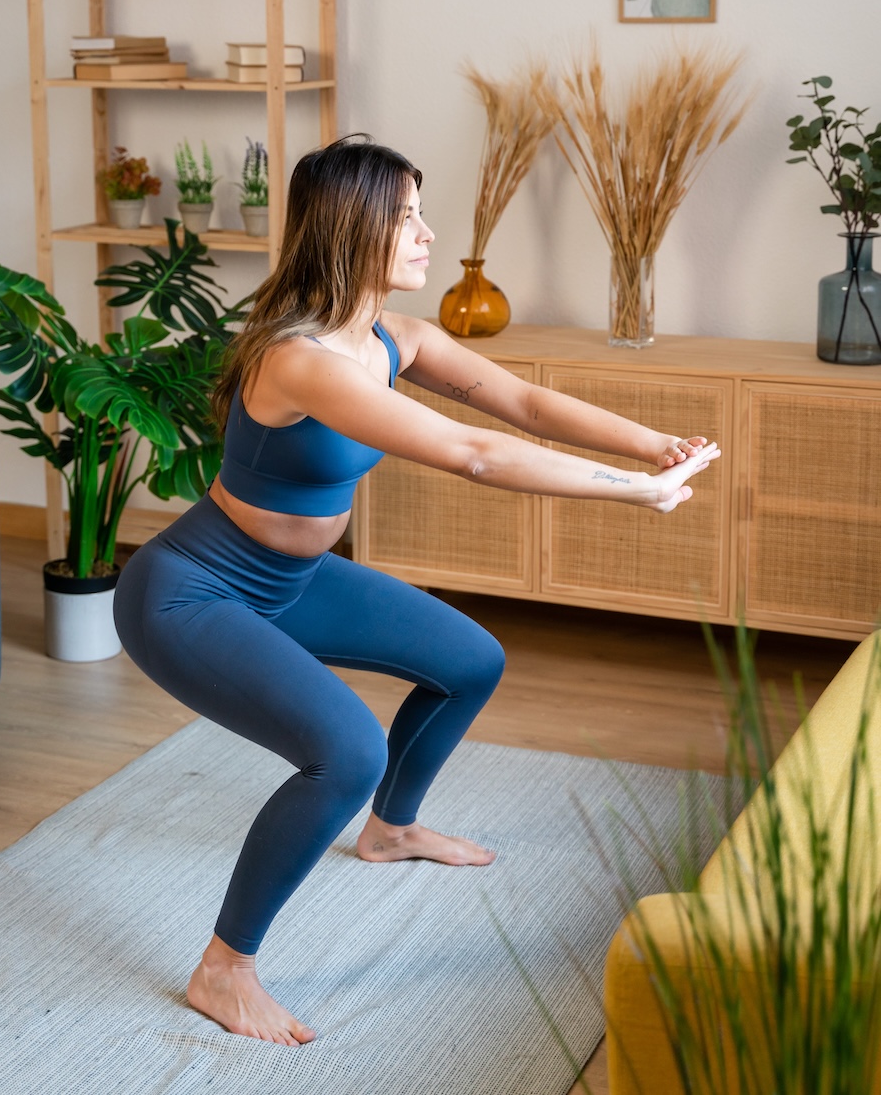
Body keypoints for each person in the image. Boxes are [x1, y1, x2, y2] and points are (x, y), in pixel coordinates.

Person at [113, 135, 719, 1047]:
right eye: (407, 216)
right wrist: (632, 495)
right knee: (345, 751)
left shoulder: (396, 337)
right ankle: (223, 970)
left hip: (293, 578)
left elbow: (524, 407)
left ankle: (390, 830)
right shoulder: (301, 358)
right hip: (192, 591)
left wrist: (652, 447)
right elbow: (474, 453)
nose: (428, 233)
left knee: (470, 659)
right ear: (354, 227)